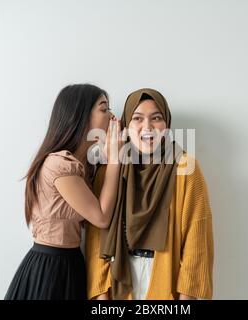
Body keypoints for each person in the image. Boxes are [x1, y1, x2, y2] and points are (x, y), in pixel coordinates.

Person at [85, 88, 214, 300]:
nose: (148, 127)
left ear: (167, 125)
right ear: (126, 126)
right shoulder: (110, 171)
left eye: (156, 118)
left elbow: (197, 240)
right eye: (137, 119)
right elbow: (96, 240)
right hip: (119, 281)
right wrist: (101, 296)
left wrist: (186, 299)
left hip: (166, 280)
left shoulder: (185, 169)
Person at [5, 84, 124, 300]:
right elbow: (101, 217)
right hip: (51, 269)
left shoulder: (82, 165)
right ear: (80, 114)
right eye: (104, 108)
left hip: (69, 263)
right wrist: (115, 159)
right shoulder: (59, 164)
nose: (112, 116)